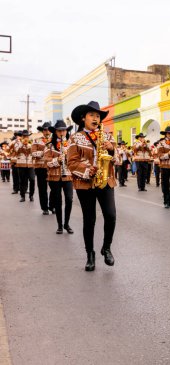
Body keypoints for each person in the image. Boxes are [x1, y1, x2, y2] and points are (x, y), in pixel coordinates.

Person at [67, 101, 118, 271]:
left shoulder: (108, 136)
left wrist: (111, 149)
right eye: (92, 115)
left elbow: (116, 159)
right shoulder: (75, 138)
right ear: (83, 118)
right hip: (85, 183)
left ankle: (107, 247)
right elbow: (72, 163)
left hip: (105, 180)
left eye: (98, 116)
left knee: (110, 215)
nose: (96, 119)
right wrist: (89, 169)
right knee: (89, 220)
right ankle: (90, 254)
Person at [44, 120, 74, 234]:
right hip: (54, 177)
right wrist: (57, 160)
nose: (62, 132)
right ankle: (60, 225)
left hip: (68, 176)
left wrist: (68, 157)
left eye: (64, 130)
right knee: (58, 201)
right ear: (55, 132)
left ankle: (67, 223)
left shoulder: (71, 144)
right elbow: (46, 162)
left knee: (69, 199)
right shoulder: (50, 145)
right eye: (59, 130)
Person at [32, 122, 53, 215]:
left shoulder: (55, 140)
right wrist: (44, 152)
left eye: (48, 129)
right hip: (40, 167)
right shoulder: (36, 140)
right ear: (42, 131)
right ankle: (44, 208)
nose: (47, 131)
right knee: (42, 188)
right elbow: (33, 153)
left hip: (53, 167)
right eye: (45, 130)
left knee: (55, 188)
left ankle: (52, 206)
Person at [14, 130, 35, 202]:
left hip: (30, 164)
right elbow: (16, 151)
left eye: (27, 136)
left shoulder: (31, 143)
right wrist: (22, 143)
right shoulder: (17, 143)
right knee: (22, 181)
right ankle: (22, 196)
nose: (26, 137)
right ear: (22, 137)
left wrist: (29, 144)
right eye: (24, 136)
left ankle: (31, 195)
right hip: (21, 164)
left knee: (32, 179)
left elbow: (33, 152)